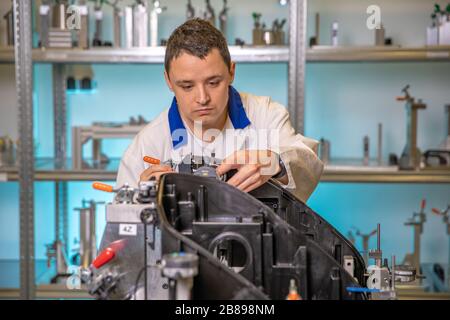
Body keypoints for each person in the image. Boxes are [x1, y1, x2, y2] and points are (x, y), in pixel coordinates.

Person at [116, 18, 323, 202]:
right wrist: (140, 201)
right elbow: (121, 231)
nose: (202, 98)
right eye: (187, 86)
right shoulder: (147, 144)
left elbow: (309, 163)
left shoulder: (266, 114)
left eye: (213, 82)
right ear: (168, 81)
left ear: (231, 71)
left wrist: (275, 163)